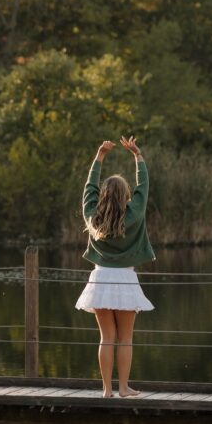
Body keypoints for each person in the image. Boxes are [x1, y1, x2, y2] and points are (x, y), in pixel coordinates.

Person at [75, 136, 155, 398]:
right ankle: (123, 388)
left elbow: (89, 189)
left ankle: (107, 390)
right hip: (125, 279)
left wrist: (100, 156)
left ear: (103, 196)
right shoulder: (134, 214)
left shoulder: (93, 217)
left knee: (106, 337)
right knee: (126, 338)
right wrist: (137, 156)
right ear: (126, 196)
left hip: (99, 279)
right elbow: (143, 187)